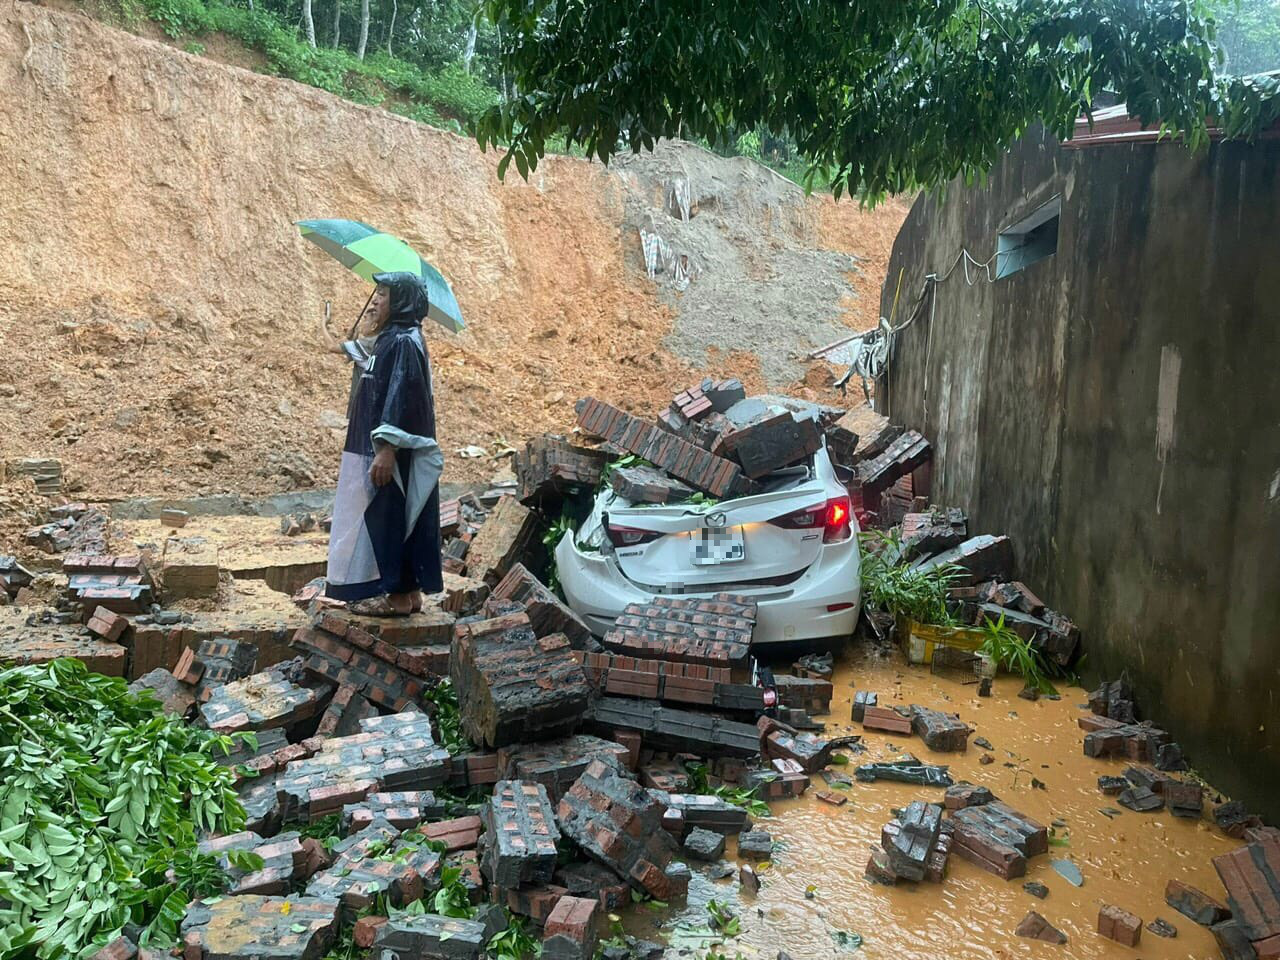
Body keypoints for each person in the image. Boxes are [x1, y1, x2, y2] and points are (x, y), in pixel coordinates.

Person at [325, 272, 444, 615]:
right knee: (400, 516)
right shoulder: (394, 339)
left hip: (390, 452)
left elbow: (402, 395)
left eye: (384, 293)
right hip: (382, 447)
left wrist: (388, 448)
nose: (376, 299)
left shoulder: (404, 341)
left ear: (402, 300)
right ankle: (408, 592)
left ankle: (395, 597)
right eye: (376, 291)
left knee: (389, 517)